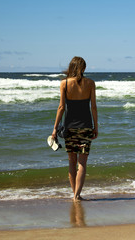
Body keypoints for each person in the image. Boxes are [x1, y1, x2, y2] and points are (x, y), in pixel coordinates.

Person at [52, 56, 98, 202]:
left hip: (69, 128)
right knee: (82, 163)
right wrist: (96, 127)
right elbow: (93, 107)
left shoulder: (64, 83)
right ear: (83, 68)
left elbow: (61, 107)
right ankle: (77, 195)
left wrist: (54, 129)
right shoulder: (90, 83)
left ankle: (75, 195)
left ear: (71, 67)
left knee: (72, 162)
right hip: (85, 127)